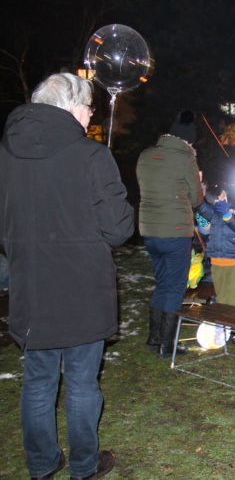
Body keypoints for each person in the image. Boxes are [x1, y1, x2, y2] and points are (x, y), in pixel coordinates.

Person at [0, 73, 133, 479]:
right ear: (72, 107)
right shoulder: (90, 155)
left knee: (38, 381)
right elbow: (119, 229)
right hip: (81, 290)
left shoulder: (6, 152)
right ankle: (83, 464)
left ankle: (41, 465)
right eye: (89, 108)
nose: (91, 115)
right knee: (80, 381)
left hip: (32, 287)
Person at [137, 110, 203, 358]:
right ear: (186, 140)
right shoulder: (185, 159)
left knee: (162, 284)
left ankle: (154, 340)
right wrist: (197, 179)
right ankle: (168, 345)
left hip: (150, 231)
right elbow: (196, 199)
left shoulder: (145, 156)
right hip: (175, 231)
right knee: (175, 288)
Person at [198, 186, 235, 308]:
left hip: (233, 260)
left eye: (222, 195)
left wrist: (227, 214)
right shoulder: (214, 211)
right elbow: (200, 207)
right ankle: (223, 324)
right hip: (216, 260)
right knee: (221, 297)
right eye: (217, 197)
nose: (220, 198)